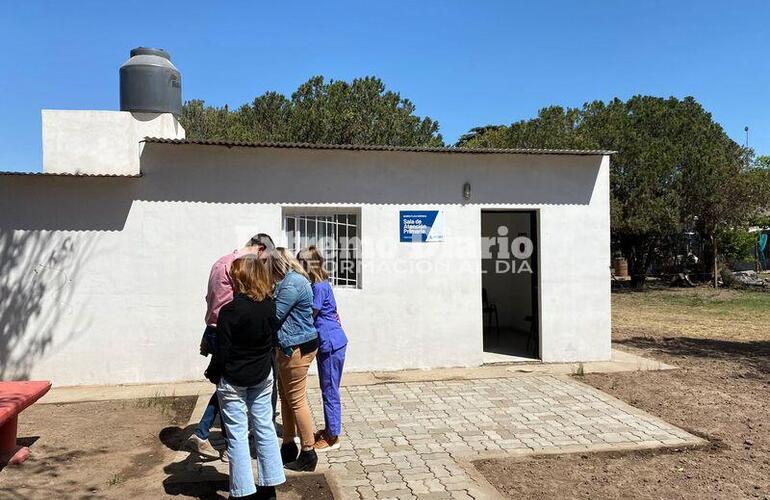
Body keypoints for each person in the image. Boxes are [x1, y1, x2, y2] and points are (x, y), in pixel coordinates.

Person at [186, 233, 276, 460]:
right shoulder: (237, 266)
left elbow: (211, 299)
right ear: (260, 249)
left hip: (215, 327)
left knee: (226, 386)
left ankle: (203, 433)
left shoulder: (221, 261)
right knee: (232, 387)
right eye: (265, 259)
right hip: (228, 331)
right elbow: (235, 308)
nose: (263, 265)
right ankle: (229, 444)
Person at [205, 256, 285, 499]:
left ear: (240, 279)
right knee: (265, 427)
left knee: (237, 435)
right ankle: (269, 488)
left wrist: (214, 373)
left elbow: (223, 351)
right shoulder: (269, 306)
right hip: (262, 374)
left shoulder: (229, 312)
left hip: (234, 378)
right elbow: (273, 341)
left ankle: (243, 492)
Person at [267, 248, 319, 472]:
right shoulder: (290, 281)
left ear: (276, 265)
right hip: (292, 345)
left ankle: (308, 451)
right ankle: (288, 445)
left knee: (296, 400)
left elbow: (275, 315)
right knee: (287, 398)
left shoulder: (291, 284)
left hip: (295, 347)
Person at [297, 247, 348, 452]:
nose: (298, 265)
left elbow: (310, 314)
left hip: (331, 342)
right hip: (332, 340)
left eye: (300, 262)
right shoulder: (322, 283)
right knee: (328, 387)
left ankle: (332, 436)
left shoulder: (318, 287)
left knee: (329, 389)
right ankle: (329, 429)